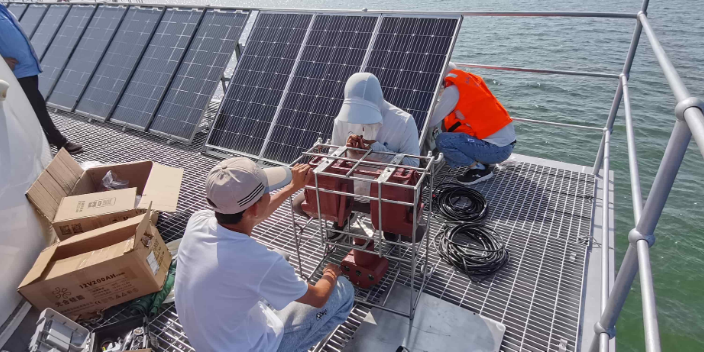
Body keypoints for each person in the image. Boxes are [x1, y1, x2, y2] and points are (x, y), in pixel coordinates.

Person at [175, 157, 354, 352]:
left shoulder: (198, 221)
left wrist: (293, 187)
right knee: (344, 290)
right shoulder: (257, 262)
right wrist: (331, 272)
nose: (270, 192)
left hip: (212, 341)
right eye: (267, 190)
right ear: (253, 208)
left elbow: (253, 215)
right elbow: (319, 297)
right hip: (254, 347)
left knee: (279, 256)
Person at [291, 72, 421, 241]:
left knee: (406, 231)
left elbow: (413, 165)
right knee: (298, 205)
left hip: (384, 195)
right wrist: (347, 151)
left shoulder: (404, 122)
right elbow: (333, 156)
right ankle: (342, 216)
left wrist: (376, 151)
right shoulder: (342, 119)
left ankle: (387, 225)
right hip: (348, 189)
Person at [0, 4, 82, 154]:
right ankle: (60, 142)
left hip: (27, 67)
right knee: (37, 105)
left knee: (33, 106)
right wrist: (2, 61)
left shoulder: (2, 9)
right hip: (14, 71)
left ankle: (44, 137)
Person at [426, 66, 516, 185]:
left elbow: (431, 121)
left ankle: (479, 169)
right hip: (506, 145)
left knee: (443, 141)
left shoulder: (452, 91)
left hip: (497, 151)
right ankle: (483, 159)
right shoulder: (470, 84)